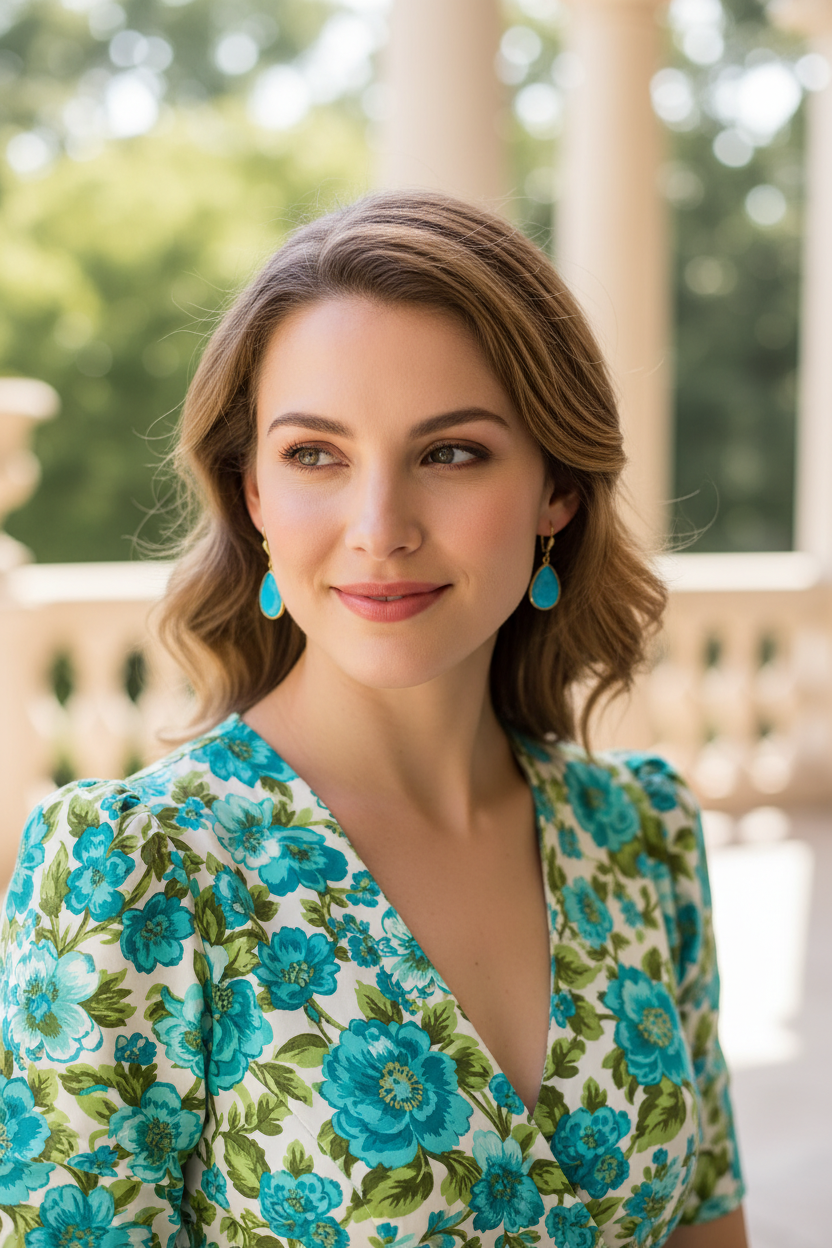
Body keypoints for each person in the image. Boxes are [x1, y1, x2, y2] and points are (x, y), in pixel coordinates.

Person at [0, 192, 746, 1248]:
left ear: (556, 494)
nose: (378, 528)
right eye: (315, 454)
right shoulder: (137, 871)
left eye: (449, 454)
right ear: (250, 492)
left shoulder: (645, 837)